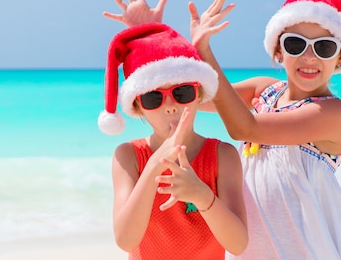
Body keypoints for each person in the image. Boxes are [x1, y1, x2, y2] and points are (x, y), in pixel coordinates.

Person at [104, 0, 341, 260]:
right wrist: (149, 38)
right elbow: (192, 94)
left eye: (324, 47)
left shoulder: (333, 113)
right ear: (278, 50)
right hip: (255, 250)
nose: (309, 57)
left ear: (340, 58)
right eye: (295, 45)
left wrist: (204, 50)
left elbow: (243, 127)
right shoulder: (265, 91)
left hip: (307, 250)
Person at [98, 22, 247, 259]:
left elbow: (238, 244)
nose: (169, 107)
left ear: (198, 95)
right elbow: (126, 240)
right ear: (137, 107)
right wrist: (155, 163)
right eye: (153, 97)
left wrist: (201, 195)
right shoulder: (129, 156)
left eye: (182, 93)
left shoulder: (223, 156)